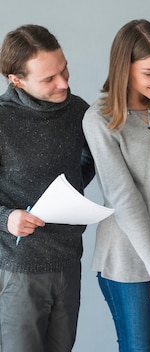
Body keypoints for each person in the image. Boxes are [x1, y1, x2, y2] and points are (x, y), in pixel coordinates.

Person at [82, 19, 150, 351]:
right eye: (149, 72)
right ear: (124, 70)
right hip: (128, 260)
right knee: (137, 347)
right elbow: (123, 197)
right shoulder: (99, 119)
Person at [0, 24, 94, 351]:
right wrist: (6, 218)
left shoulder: (79, 110)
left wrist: (72, 189)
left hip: (69, 262)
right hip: (19, 269)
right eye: (49, 79)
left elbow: (89, 160)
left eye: (64, 69)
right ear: (16, 80)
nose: (64, 82)